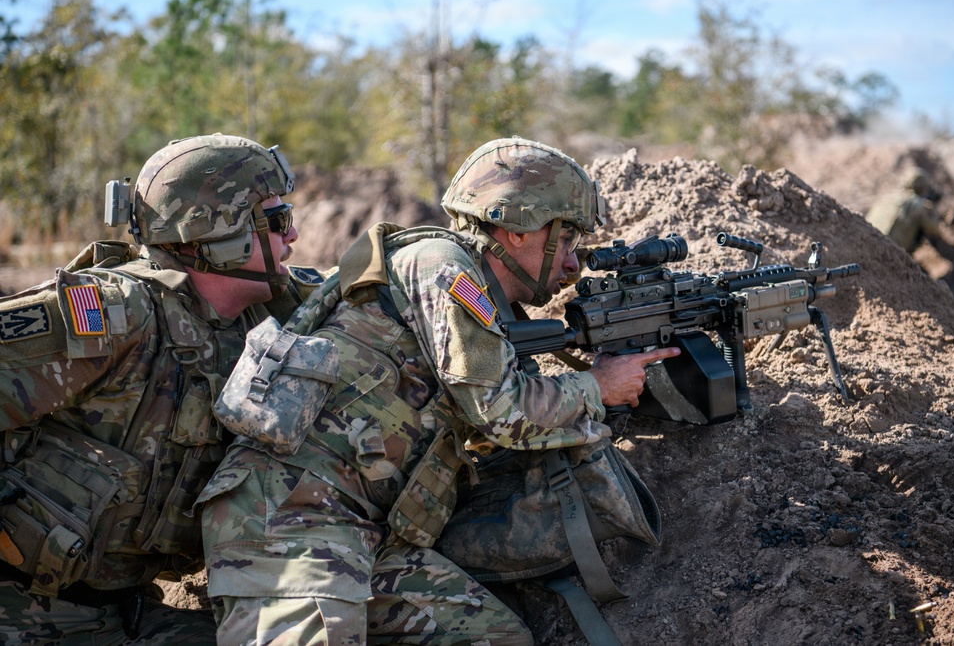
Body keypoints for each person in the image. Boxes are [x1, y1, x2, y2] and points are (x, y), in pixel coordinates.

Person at [198, 136, 678, 645]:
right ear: (517, 230)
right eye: (565, 240)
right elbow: (499, 410)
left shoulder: (471, 287)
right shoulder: (443, 268)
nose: (572, 263)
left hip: (365, 527)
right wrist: (597, 386)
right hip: (289, 518)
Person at [0, 133, 324, 644]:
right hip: (21, 607)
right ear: (218, 234)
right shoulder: (114, 314)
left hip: (124, 608)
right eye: (278, 220)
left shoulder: (270, 311)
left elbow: (375, 286)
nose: (295, 235)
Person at [865, 168, 944, 254]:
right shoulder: (919, 204)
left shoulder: (888, 196)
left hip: (867, 239)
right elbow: (933, 229)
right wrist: (933, 212)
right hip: (888, 251)